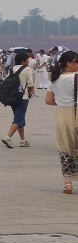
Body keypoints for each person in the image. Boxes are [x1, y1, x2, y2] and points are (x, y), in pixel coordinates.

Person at [44, 51, 78, 194]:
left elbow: (48, 100)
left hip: (61, 115)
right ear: (69, 63)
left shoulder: (55, 79)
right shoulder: (76, 77)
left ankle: (68, 184)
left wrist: (62, 103)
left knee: (64, 148)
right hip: (75, 114)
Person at [1, 49, 35, 149]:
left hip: (13, 97)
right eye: (27, 60)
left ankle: (23, 140)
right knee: (18, 118)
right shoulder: (27, 69)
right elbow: (30, 85)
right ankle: (8, 137)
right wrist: (29, 95)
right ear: (23, 61)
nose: (28, 62)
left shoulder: (12, 68)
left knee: (19, 117)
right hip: (22, 97)